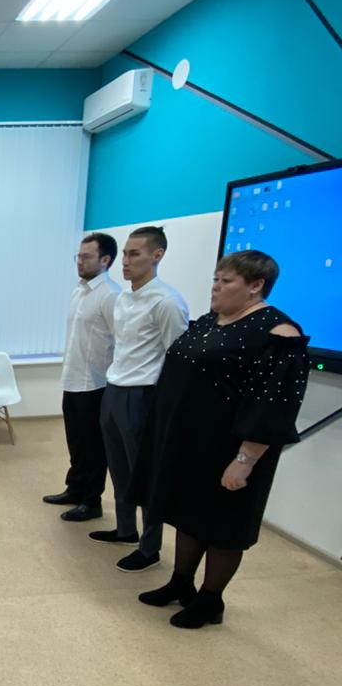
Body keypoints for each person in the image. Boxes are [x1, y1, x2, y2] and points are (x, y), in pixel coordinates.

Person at [131, 250, 308, 628]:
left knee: (223, 526)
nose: (215, 287)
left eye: (226, 281)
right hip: (192, 444)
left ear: (256, 286)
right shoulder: (211, 321)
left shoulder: (279, 334)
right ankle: (181, 583)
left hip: (231, 449)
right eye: (215, 279)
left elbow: (273, 406)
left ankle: (211, 600)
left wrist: (245, 460)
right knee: (189, 515)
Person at [90, 226, 189, 572]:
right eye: (125, 254)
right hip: (114, 388)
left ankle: (150, 548)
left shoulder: (167, 302)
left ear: (157, 255)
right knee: (118, 467)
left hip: (142, 395)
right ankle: (125, 529)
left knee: (144, 473)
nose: (125, 261)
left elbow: (177, 360)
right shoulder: (123, 299)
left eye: (134, 254)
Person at [43, 233, 121, 521]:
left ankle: (92, 501)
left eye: (87, 257)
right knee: (76, 442)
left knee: (93, 447)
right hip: (73, 379)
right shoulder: (79, 291)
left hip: (96, 384)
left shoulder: (111, 295)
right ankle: (75, 489)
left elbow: (121, 341)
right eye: (79, 256)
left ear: (105, 260)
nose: (80, 262)